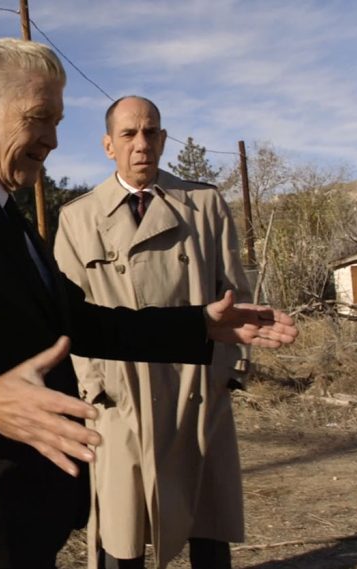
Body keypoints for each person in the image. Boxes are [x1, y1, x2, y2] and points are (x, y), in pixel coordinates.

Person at [0, 38, 297, 569]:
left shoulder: (4, 215)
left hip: (22, 511)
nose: (53, 140)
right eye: (40, 118)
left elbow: (80, 324)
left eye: (58, 122)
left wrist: (200, 324)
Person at [54, 96, 249, 569]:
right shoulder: (78, 218)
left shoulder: (204, 205)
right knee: (123, 530)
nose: (141, 143)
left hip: (195, 389)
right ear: (108, 145)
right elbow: (64, 317)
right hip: (122, 398)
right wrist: (94, 385)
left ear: (163, 139)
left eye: (151, 132)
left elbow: (234, 294)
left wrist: (228, 371)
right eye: (128, 134)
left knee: (208, 523)